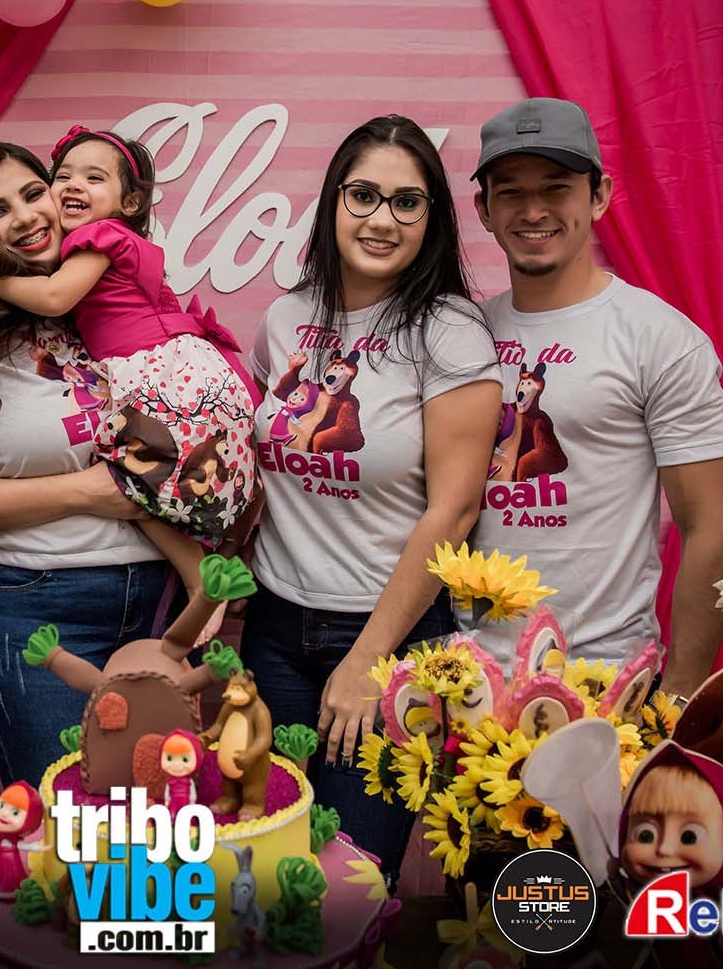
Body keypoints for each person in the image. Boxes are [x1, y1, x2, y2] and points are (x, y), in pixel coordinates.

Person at [241, 116, 501, 877]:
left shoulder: (449, 331)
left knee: (346, 881)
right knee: (259, 864)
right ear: (333, 201)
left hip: (389, 638)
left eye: (406, 202)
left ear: (431, 218)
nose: (382, 219)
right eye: (363, 195)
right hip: (274, 629)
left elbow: (455, 510)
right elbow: (260, 468)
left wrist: (367, 660)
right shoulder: (286, 317)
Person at [0, 142, 181, 788]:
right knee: (66, 823)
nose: (25, 216)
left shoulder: (116, 303)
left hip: (157, 600)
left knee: (147, 820)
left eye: (33, 192)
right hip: (34, 607)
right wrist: (85, 492)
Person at [469, 97, 723, 693]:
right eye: (510, 192)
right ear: (484, 209)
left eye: (556, 188)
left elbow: (711, 525)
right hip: (464, 676)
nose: (533, 210)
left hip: (606, 680)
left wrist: (681, 697)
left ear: (599, 196)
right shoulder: (460, 334)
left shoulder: (659, 338)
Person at [0, 126, 261, 641]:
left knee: (131, 473)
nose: (73, 185)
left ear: (129, 203)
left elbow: (54, 298)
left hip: (158, 369)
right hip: (178, 366)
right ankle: (223, 560)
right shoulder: (104, 244)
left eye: (94, 178)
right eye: (63, 176)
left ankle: (199, 574)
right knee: (176, 477)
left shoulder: (99, 239)